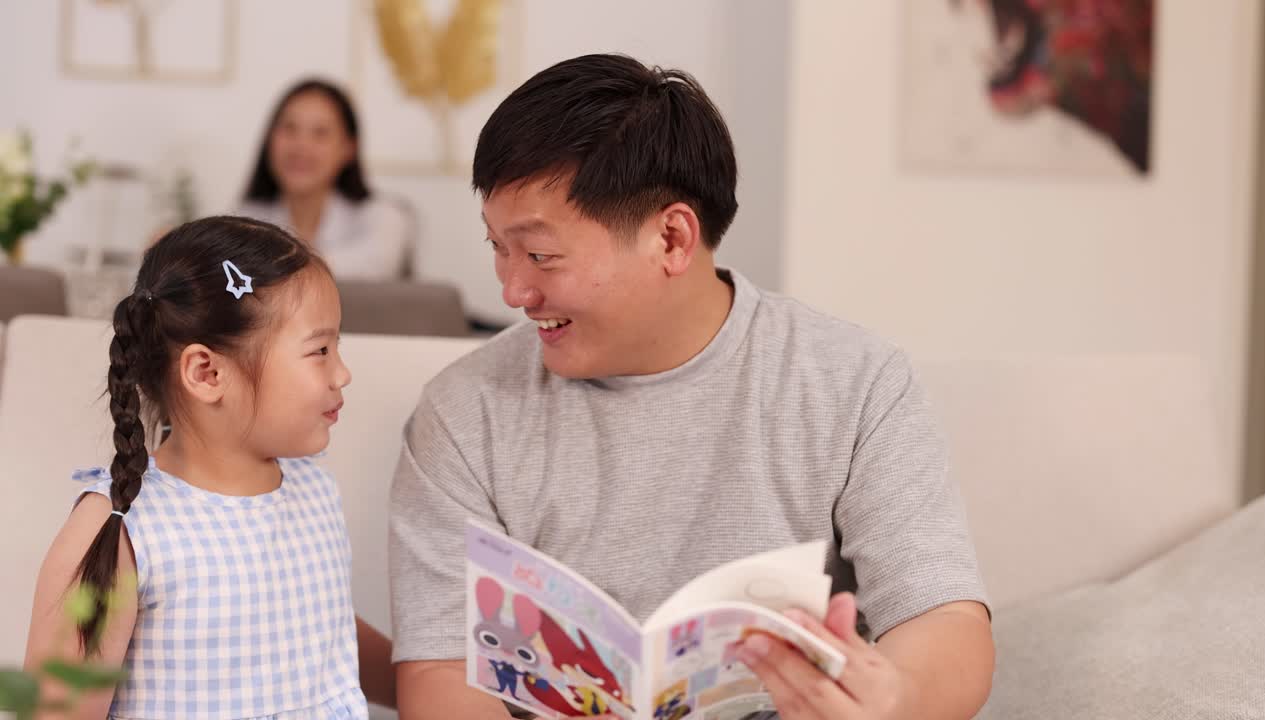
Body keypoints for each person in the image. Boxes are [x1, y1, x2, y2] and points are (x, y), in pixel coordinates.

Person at [389, 54, 994, 719]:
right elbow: (445, 668)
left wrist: (895, 700)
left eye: (539, 255)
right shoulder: (463, 412)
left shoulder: (855, 382)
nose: (512, 290)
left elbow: (945, 622)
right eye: (497, 247)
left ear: (672, 237)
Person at [24, 216, 396, 718]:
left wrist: (428, 682)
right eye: (321, 350)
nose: (342, 372)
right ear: (208, 373)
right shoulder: (122, 528)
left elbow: (320, 630)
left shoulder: (312, 487)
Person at [238, 79, 412, 281]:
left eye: (320, 133)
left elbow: (378, 263)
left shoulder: (383, 216)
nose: (301, 146)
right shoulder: (246, 218)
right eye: (290, 129)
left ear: (348, 148)